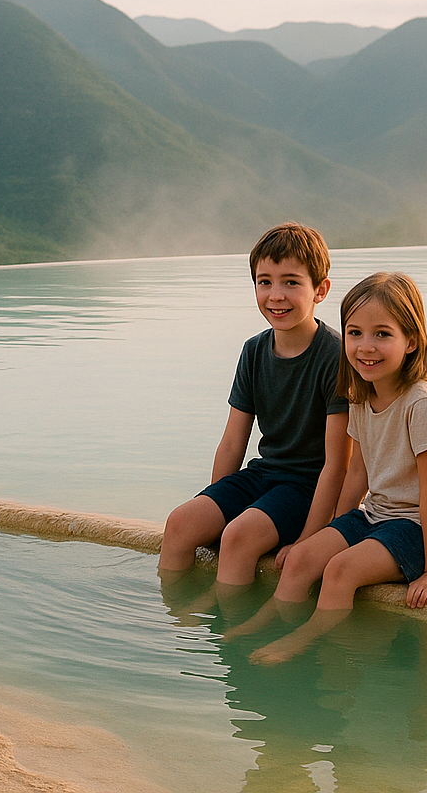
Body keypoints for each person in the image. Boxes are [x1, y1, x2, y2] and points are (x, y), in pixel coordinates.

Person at [235, 272, 427, 665]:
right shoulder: (361, 395)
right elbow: (356, 475)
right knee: (301, 559)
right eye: (355, 333)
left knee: (340, 570)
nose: (365, 347)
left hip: (421, 528)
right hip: (376, 515)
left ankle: (303, 643)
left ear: (411, 341)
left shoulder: (422, 405)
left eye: (382, 334)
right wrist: (334, 532)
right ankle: (267, 621)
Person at [158, 222, 351, 589]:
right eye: (265, 282)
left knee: (239, 538)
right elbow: (232, 443)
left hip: (306, 488)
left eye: (291, 282)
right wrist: (218, 506)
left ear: (320, 290)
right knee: (180, 523)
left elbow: (337, 465)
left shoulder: (336, 357)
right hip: (262, 476)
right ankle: (177, 632)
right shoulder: (254, 351)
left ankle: (228, 641)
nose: (276, 295)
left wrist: (308, 540)